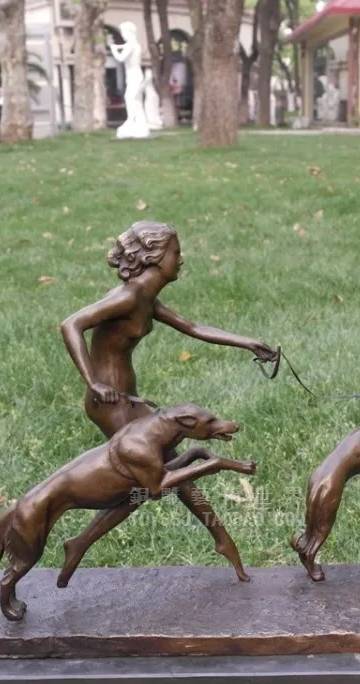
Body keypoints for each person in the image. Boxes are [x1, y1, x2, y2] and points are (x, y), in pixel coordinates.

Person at [56, 221, 277, 587]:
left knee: (169, 474)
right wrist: (93, 381)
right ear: (155, 258)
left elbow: (193, 327)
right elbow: (70, 324)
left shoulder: (146, 298)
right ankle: (81, 543)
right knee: (156, 481)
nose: (181, 259)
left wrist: (248, 343)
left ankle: (219, 539)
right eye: (176, 252)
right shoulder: (127, 298)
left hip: (129, 400)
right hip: (110, 404)